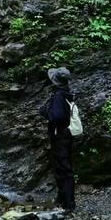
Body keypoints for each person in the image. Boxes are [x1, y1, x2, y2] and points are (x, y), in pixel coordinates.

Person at [41, 67, 76, 212]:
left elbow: (57, 116)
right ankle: (63, 198)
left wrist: (45, 112)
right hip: (65, 134)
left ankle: (69, 203)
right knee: (60, 166)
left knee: (63, 168)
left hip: (60, 135)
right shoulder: (66, 92)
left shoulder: (59, 95)